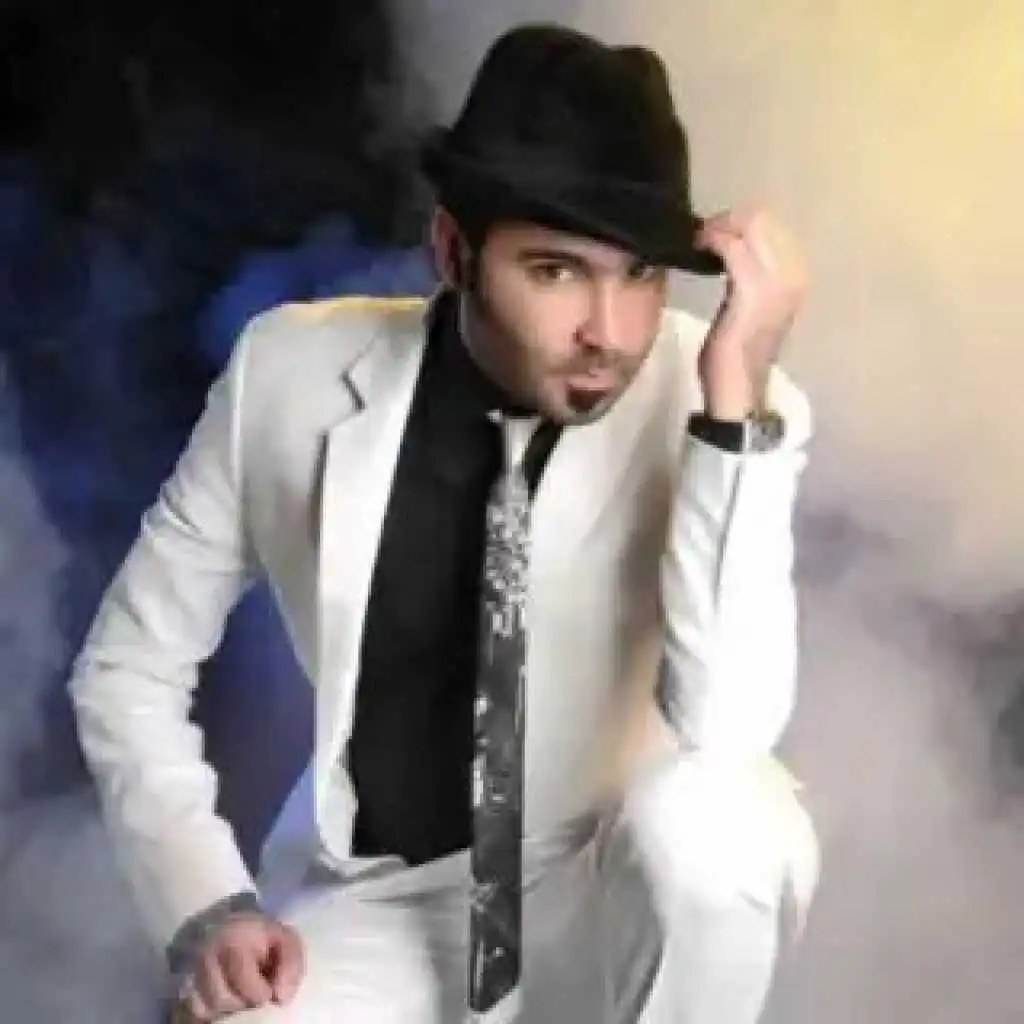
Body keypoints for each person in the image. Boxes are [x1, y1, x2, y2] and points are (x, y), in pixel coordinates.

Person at [69, 21, 819, 1024]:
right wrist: (207, 906)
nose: (609, 332)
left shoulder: (723, 397)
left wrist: (732, 408)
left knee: (722, 824)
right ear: (454, 250)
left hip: (607, 885)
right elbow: (128, 667)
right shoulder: (286, 378)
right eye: (555, 271)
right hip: (384, 902)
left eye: (641, 273)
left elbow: (726, 735)